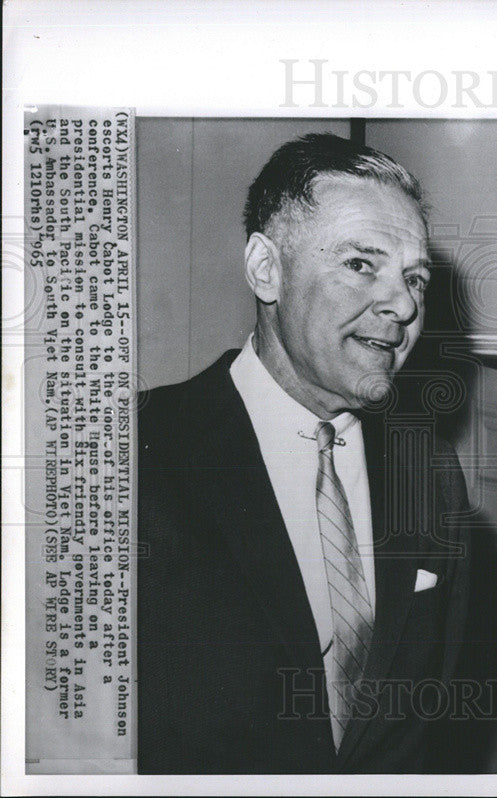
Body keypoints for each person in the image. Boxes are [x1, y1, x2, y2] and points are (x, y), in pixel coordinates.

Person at [137, 133, 470, 774]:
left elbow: (432, 722)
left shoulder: (430, 475)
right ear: (267, 268)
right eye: (360, 264)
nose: (402, 305)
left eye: (415, 278)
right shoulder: (135, 451)